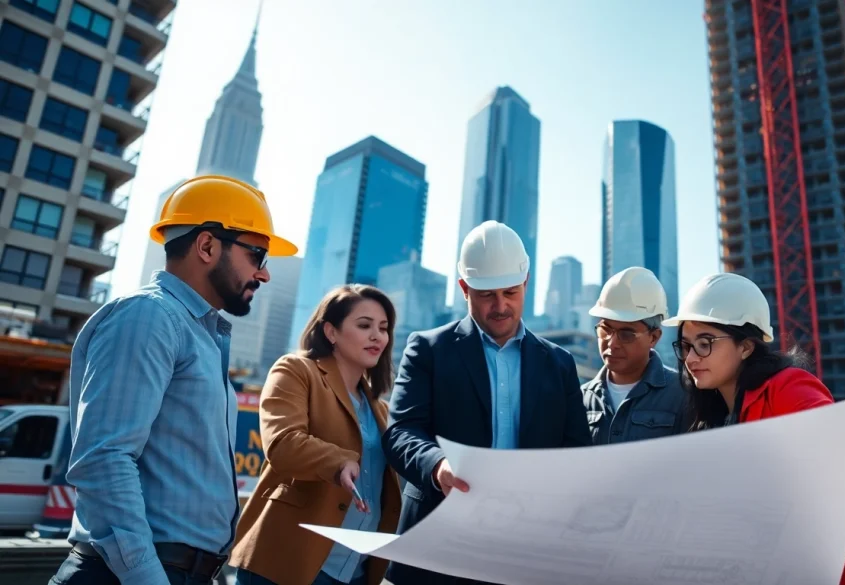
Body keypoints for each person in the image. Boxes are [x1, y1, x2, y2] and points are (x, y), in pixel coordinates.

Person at [49, 175, 298, 585]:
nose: (265, 274)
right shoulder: (149, 317)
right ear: (206, 246)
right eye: (257, 255)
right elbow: (104, 459)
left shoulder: (199, 333)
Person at [382, 220, 592, 585]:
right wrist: (438, 467)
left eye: (510, 292)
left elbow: (576, 454)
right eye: (486, 295)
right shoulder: (428, 349)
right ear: (464, 288)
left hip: (525, 548)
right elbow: (401, 432)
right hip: (434, 545)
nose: (500, 306)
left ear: (526, 282)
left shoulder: (559, 364)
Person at [664, 272, 845, 585]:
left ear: (746, 346)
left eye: (705, 344)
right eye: (686, 346)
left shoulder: (787, 389)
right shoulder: (710, 418)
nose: (690, 358)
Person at [230, 285, 403, 585]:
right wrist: (338, 462)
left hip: (356, 572)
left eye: (384, 328)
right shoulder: (296, 371)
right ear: (331, 332)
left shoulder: (382, 410)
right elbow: (283, 443)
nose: (378, 336)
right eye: (364, 325)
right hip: (287, 563)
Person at [581, 267, 690, 444]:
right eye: (605, 330)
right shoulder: (579, 399)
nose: (612, 343)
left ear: (654, 337)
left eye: (626, 335)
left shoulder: (684, 394)